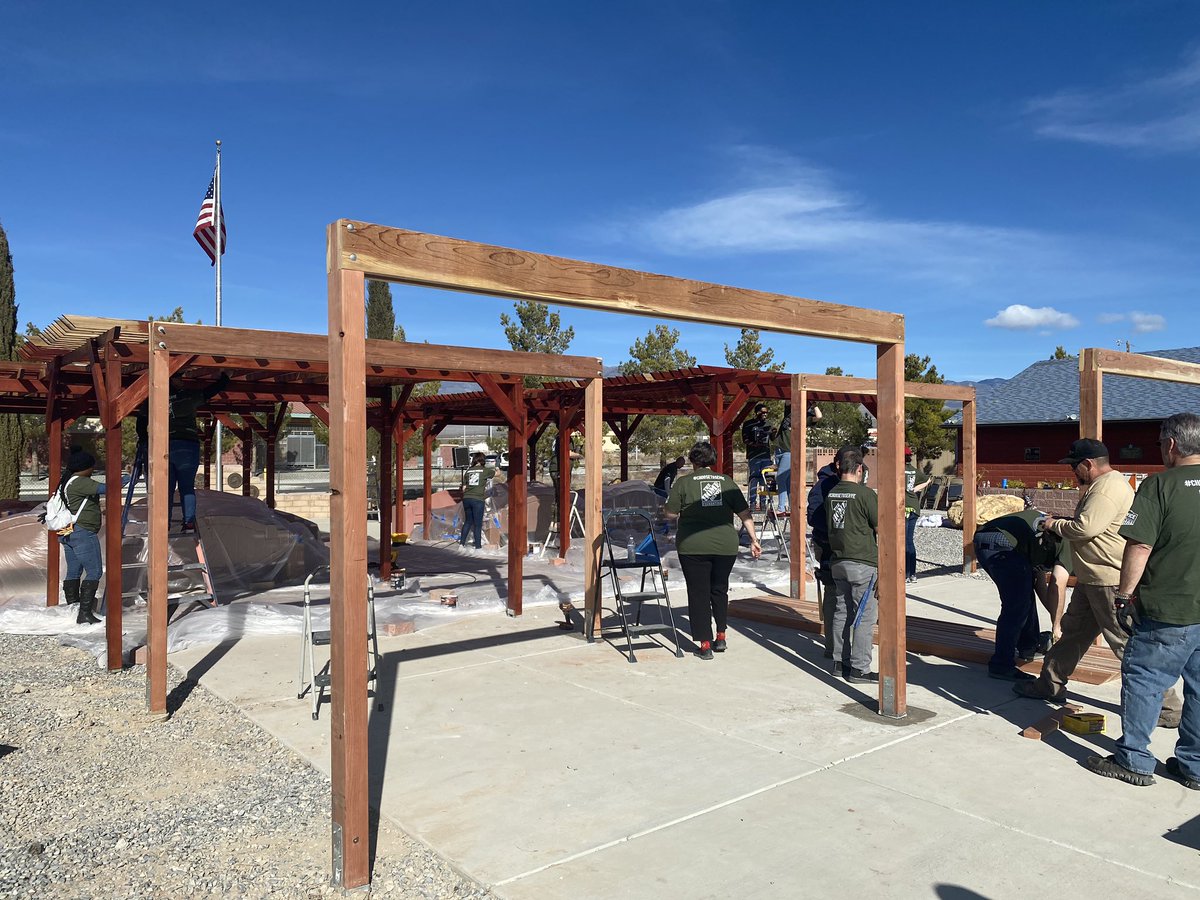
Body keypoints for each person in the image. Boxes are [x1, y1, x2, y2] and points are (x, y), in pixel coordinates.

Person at [1015, 439, 1181, 727]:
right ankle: (1049, 685)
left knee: (1127, 644)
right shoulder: (1109, 484)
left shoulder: (1105, 489)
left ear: (1088, 464)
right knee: (1073, 634)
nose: (1072, 472)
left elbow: (1086, 528)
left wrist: (1052, 524)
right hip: (1093, 578)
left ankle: (1168, 707)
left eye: (1074, 466)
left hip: (1109, 580)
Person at [1086, 414, 1200, 788]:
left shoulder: (1159, 486)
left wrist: (1122, 595)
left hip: (1169, 609)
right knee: (1198, 689)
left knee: (1144, 680)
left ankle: (1134, 759)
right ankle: (1194, 765)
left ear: (1170, 445)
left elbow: (1139, 545)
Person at [664, 441, 760, 660]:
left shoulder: (684, 483)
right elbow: (744, 513)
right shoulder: (726, 481)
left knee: (698, 593)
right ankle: (721, 635)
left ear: (693, 460)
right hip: (725, 546)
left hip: (693, 545)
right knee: (719, 589)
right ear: (712, 460)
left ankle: (705, 644)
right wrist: (754, 539)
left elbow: (670, 513)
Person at [136, 371, 231, 533]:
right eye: (179, 378)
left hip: (164, 447)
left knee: (166, 489)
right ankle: (188, 522)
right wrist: (224, 379)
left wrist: (145, 441)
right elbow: (208, 392)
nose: (182, 381)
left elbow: (141, 422)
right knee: (187, 487)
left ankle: (163, 523)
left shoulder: (153, 399)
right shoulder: (186, 397)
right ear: (171, 380)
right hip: (187, 447)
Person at [972, 508, 1057, 680]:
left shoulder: (1046, 527)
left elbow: (1038, 584)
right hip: (1003, 542)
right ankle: (1001, 665)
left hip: (983, 537)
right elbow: (1057, 585)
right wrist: (1058, 625)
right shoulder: (1066, 542)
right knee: (1016, 605)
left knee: (1023, 595)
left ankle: (1029, 646)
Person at [825, 446, 879, 684]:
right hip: (862, 561)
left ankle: (839, 662)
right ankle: (859, 669)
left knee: (841, 612)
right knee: (864, 616)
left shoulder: (832, 493)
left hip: (838, 560)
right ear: (859, 469)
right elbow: (881, 528)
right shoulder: (866, 495)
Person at [55, 449, 110, 625]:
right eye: (92, 467)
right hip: (83, 532)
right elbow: (106, 488)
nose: (93, 470)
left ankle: (74, 608)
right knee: (94, 571)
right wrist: (125, 479)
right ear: (85, 467)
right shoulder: (80, 482)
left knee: (74, 570)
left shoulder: (68, 481)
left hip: (69, 532)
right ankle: (84, 614)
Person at [807, 449, 847, 656]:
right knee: (832, 593)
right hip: (828, 545)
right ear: (838, 465)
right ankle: (832, 646)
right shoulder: (822, 486)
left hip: (849, 547)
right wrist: (836, 529)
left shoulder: (854, 482)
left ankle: (843, 644)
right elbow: (813, 517)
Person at [771, 404, 820, 514]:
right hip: (779, 449)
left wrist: (815, 405)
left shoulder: (805, 417)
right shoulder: (790, 411)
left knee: (781, 477)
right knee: (787, 480)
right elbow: (788, 399)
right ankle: (791, 506)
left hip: (789, 451)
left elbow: (819, 416)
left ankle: (781, 507)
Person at [903, 446, 931, 584]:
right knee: (909, 540)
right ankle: (912, 573)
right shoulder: (913, 470)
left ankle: (905, 573)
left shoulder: (897, 470)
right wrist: (914, 489)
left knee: (903, 541)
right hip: (913, 507)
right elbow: (927, 480)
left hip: (903, 507)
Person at [459, 452, 495, 549]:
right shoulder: (485, 471)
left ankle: (461, 544)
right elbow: (497, 474)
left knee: (468, 521)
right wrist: (497, 468)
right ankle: (478, 547)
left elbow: (464, 488)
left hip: (466, 499)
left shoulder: (468, 471)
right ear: (482, 460)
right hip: (478, 499)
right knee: (478, 524)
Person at [742, 403, 774, 512]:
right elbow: (745, 439)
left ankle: (763, 502)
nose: (765, 415)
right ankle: (752, 502)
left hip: (765, 455)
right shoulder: (748, 424)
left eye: (766, 413)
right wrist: (754, 444)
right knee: (754, 479)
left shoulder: (769, 424)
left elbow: (773, 439)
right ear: (757, 412)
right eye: (763, 412)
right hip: (754, 456)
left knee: (765, 479)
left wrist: (773, 432)